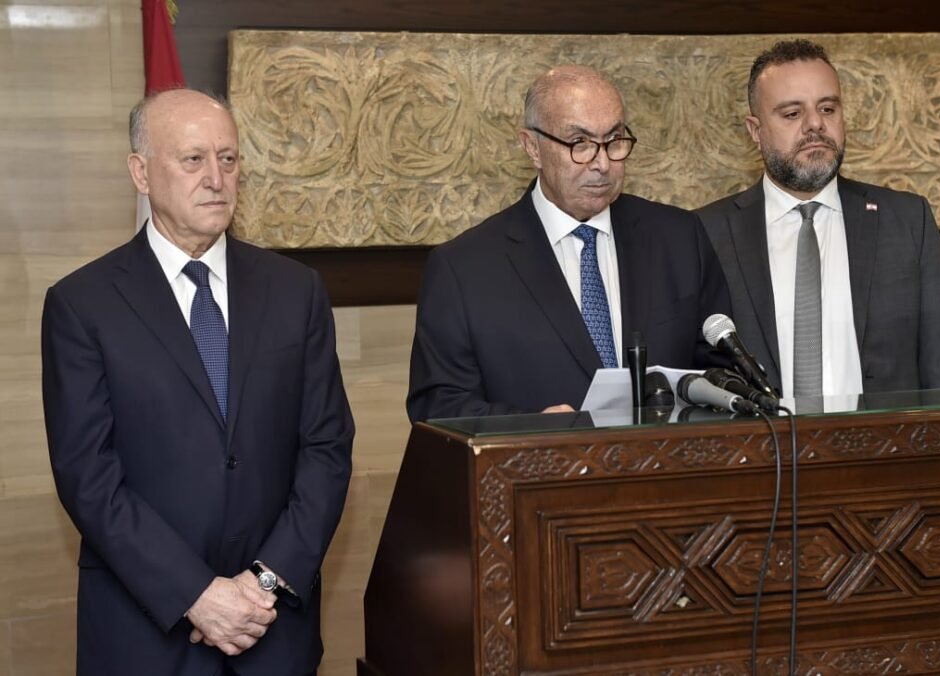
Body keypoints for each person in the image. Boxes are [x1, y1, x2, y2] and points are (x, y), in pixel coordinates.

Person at [41, 89, 354, 676]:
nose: (216, 178)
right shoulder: (82, 305)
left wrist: (264, 582)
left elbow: (327, 448)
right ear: (141, 172)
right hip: (145, 634)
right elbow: (88, 477)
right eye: (193, 160)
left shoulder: (296, 291)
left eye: (228, 159)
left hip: (273, 629)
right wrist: (197, 594)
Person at [407, 65, 731, 422]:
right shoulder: (464, 269)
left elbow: (722, 374)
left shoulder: (679, 238)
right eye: (580, 144)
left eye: (614, 141)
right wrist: (534, 427)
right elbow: (438, 407)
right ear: (532, 147)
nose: (602, 163)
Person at [696, 39, 940, 400]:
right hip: (761, 437)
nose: (815, 124)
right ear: (755, 131)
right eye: (792, 114)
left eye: (828, 108)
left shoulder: (907, 221)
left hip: (885, 437)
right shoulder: (707, 233)